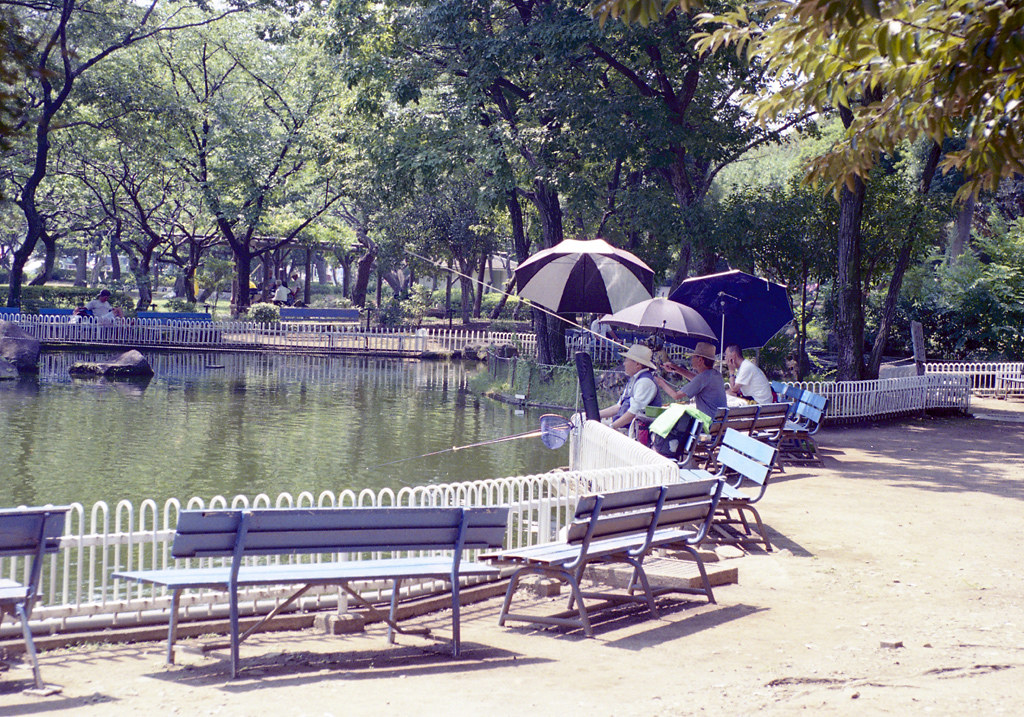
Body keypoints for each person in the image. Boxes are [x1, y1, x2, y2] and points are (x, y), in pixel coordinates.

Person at [654, 341, 728, 418]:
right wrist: (675, 368)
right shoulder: (715, 375)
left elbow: (676, 396)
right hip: (717, 423)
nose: (691, 359)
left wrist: (660, 382)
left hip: (707, 424)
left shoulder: (702, 378)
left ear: (700, 360)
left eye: (694, 356)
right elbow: (696, 379)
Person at [599, 344, 662, 432]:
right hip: (626, 428)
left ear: (637, 365)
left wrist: (612, 427)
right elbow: (618, 407)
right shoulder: (635, 380)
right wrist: (595, 415)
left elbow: (633, 412)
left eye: (626, 360)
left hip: (635, 433)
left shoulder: (645, 382)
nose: (624, 364)